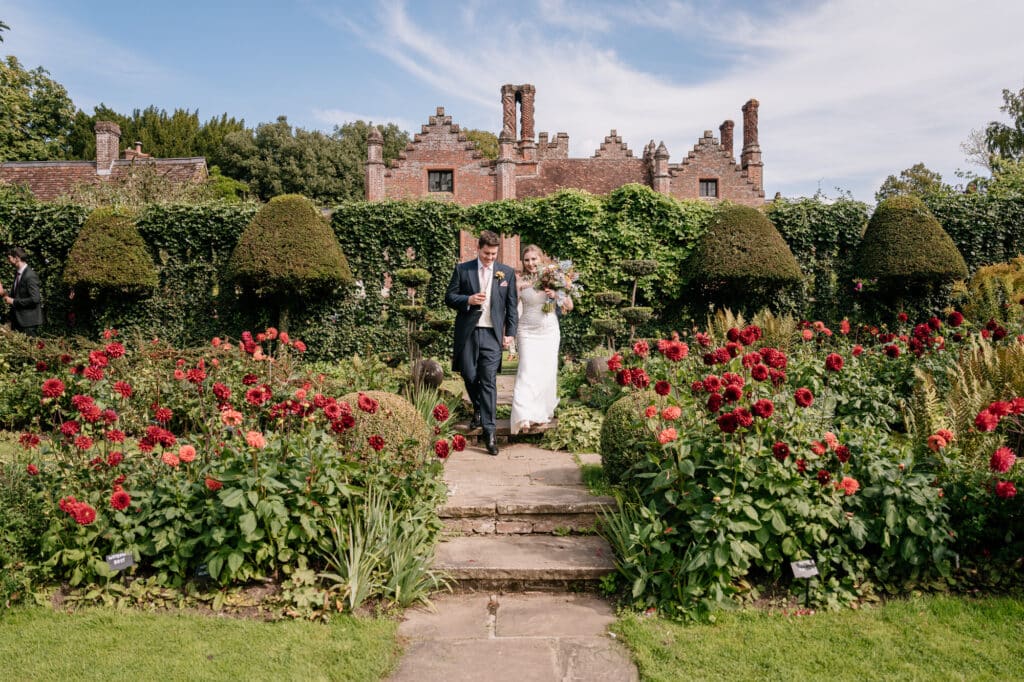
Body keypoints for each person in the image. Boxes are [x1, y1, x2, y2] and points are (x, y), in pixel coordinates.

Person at [445, 230, 518, 456]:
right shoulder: (462, 269)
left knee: (488, 381)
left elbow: (511, 306)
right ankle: (478, 408)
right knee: (468, 374)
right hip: (468, 332)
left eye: (494, 254)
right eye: (486, 254)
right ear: (479, 249)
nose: (490, 258)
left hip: (492, 335)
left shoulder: (506, 273)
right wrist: (468, 299)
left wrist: (510, 333)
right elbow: (449, 297)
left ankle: (490, 431)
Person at [509, 245, 573, 434]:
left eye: (534, 259)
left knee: (545, 372)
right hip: (527, 331)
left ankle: (541, 414)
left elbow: (569, 305)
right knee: (526, 370)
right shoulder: (519, 281)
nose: (530, 263)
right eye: (527, 260)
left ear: (541, 259)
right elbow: (512, 308)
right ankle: (523, 416)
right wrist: (508, 332)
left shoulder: (553, 278)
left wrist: (556, 296)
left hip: (549, 331)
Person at [1, 247, 43, 336]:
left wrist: (13, 301)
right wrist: (3, 292)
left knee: (31, 349)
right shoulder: (18, 273)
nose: (8, 261)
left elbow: (35, 299)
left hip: (28, 323)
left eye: (9, 258)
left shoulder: (30, 275)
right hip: (18, 321)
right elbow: (17, 294)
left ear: (17, 258)